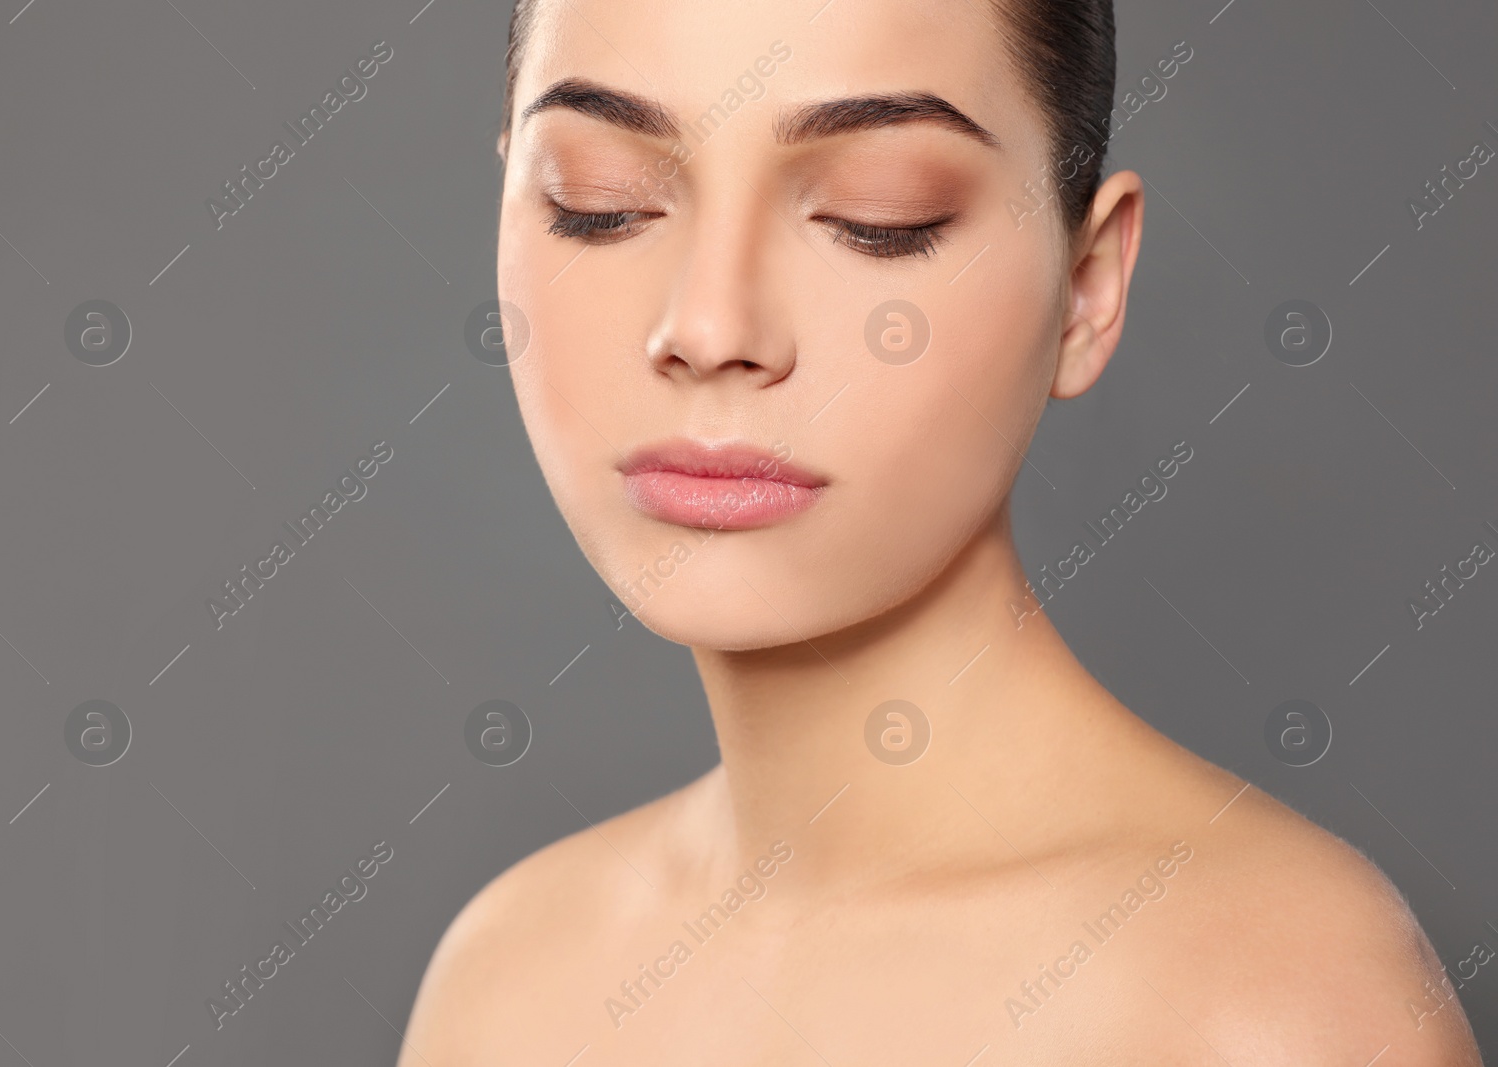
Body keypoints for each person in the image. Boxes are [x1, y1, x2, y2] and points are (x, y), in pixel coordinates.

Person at [400, 0, 1484, 1062]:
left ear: (1087, 287)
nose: (711, 326)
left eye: (882, 215)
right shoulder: (508, 980)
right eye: (601, 201)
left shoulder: (1270, 1004)